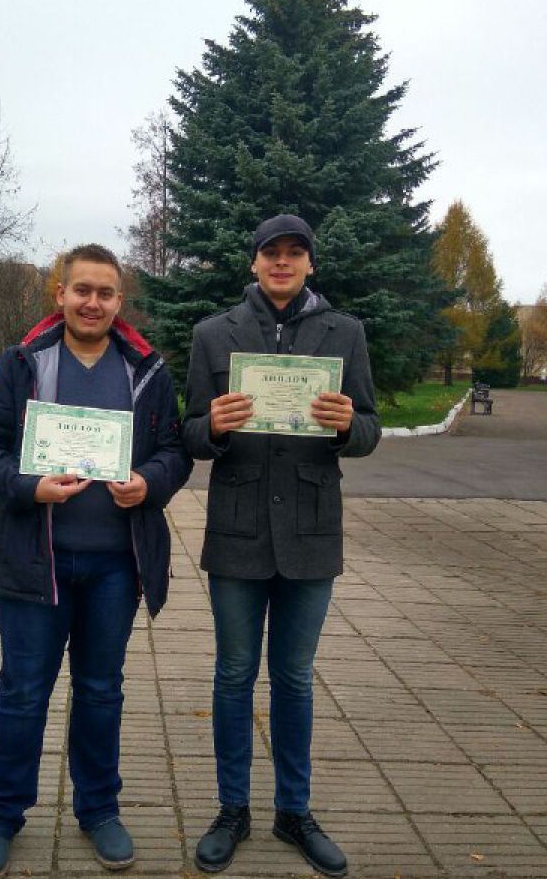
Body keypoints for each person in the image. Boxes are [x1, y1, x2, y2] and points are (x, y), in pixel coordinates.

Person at [0, 244, 192, 878]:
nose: (93, 303)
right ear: (59, 294)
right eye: (81, 290)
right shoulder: (24, 363)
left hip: (116, 567)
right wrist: (26, 486)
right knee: (22, 693)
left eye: (105, 293)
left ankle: (99, 811)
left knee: (100, 692)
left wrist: (149, 482)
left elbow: (175, 452)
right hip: (36, 561)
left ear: (120, 301)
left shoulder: (146, 370)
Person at [182, 215, 379, 878]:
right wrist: (212, 425)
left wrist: (349, 425)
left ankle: (294, 811)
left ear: (310, 264)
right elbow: (188, 431)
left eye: (296, 253)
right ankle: (231, 809)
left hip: (310, 532)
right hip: (237, 530)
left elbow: (371, 427)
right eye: (272, 252)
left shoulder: (345, 333)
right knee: (234, 675)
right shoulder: (214, 334)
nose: (283, 262)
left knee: (294, 678)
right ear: (255, 262)